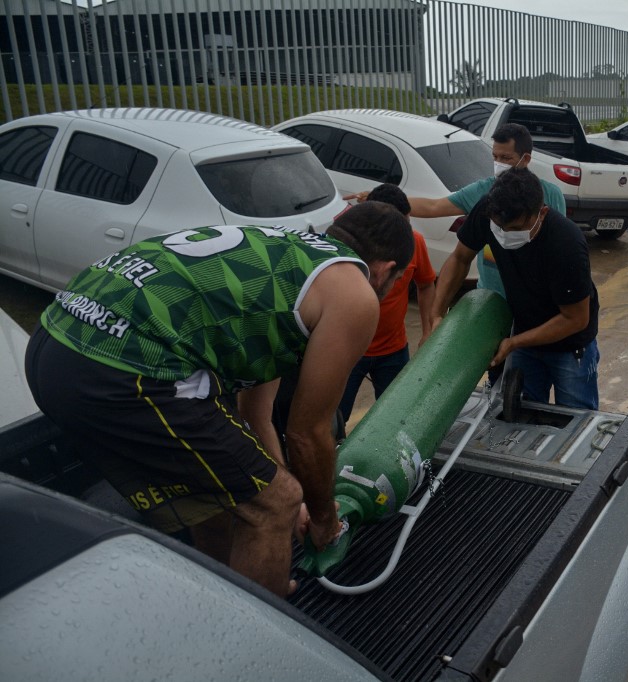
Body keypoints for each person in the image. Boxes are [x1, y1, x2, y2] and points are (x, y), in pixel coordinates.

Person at [24, 203, 414, 597]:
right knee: (276, 502)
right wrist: (323, 520)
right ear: (385, 269)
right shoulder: (354, 293)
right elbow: (307, 433)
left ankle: (220, 589)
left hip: (54, 338)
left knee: (234, 492)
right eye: (395, 282)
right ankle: (256, 632)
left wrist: (286, 493)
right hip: (123, 367)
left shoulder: (289, 260)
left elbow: (254, 415)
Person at [430, 167, 600, 409]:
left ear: (541, 213)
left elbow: (575, 318)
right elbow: (459, 258)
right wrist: (436, 313)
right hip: (523, 334)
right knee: (519, 413)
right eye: (499, 226)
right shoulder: (490, 212)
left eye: (515, 228)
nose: (504, 234)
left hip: (570, 347)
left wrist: (514, 343)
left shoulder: (566, 244)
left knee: (575, 420)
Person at [346, 123, 566, 299]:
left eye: (506, 158)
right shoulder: (482, 190)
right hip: (491, 296)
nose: (498, 164)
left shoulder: (551, 195)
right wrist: (382, 200)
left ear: (525, 159)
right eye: (495, 157)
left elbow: (559, 248)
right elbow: (434, 206)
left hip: (533, 297)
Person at [338, 184, 436, 424]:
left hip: (393, 351)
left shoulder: (415, 243)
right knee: (334, 421)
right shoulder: (347, 245)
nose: (404, 233)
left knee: (396, 419)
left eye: (407, 223)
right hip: (347, 352)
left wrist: (427, 331)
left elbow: (426, 285)